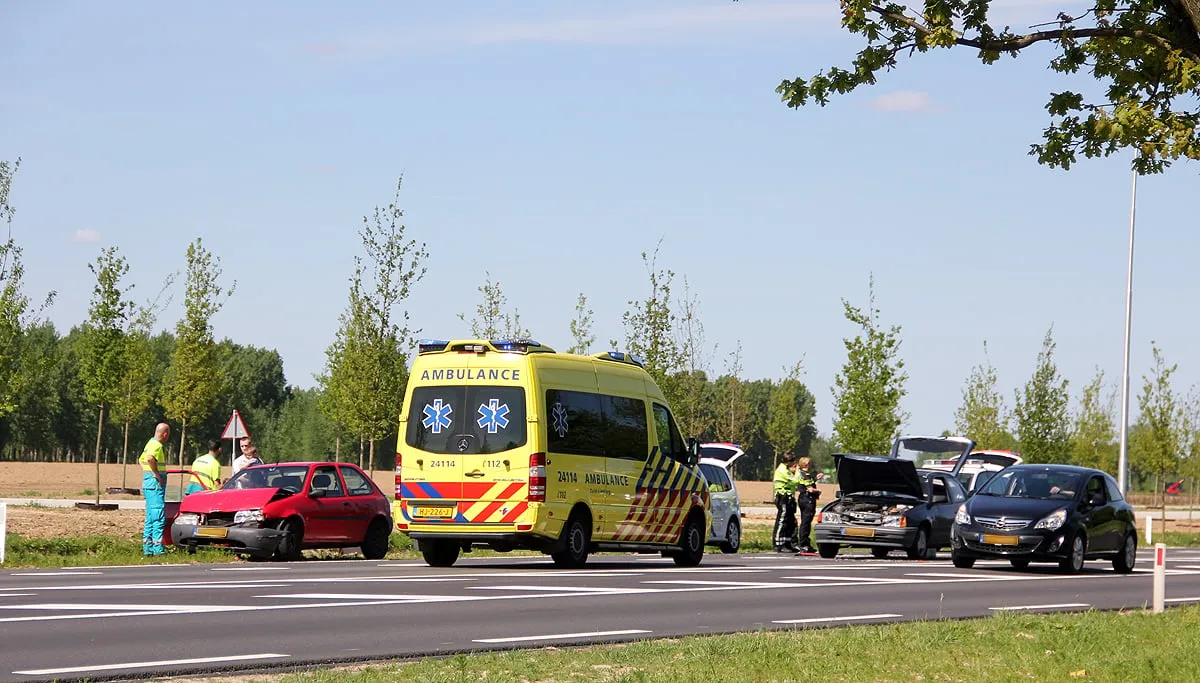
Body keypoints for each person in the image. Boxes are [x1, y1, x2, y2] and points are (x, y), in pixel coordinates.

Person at [138, 422, 170, 556]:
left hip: (148, 482)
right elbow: (150, 458)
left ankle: (148, 547)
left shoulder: (149, 443)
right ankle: (158, 548)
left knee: (151, 517)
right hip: (155, 483)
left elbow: (141, 459)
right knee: (158, 516)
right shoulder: (156, 445)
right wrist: (156, 473)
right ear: (165, 434)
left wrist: (148, 473)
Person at [772, 453, 800, 553]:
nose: (793, 464)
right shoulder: (782, 470)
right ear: (788, 462)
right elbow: (795, 481)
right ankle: (778, 544)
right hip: (782, 497)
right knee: (782, 521)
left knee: (790, 521)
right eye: (792, 461)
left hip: (788, 497)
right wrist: (797, 471)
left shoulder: (786, 469)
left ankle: (787, 543)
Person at [793, 456, 820, 554]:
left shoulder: (802, 474)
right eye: (809, 463)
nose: (811, 465)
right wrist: (818, 491)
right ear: (806, 464)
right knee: (806, 522)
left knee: (805, 522)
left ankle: (805, 543)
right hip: (808, 499)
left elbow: (807, 483)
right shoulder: (805, 474)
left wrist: (816, 479)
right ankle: (804, 544)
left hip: (803, 498)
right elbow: (810, 489)